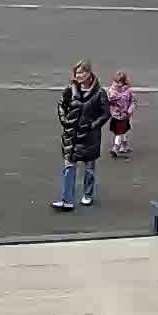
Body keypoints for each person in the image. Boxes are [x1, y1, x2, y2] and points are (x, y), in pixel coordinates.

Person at [54, 61, 108, 211]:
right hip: (71, 135)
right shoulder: (69, 90)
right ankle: (67, 199)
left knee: (89, 167)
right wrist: (64, 120)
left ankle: (88, 194)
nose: (78, 76)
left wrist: (92, 126)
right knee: (69, 166)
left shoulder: (99, 93)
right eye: (77, 73)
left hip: (89, 137)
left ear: (89, 74)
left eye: (81, 73)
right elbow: (61, 105)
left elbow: (105, 114)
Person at [107, 71, 136, 157]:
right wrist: (111, 99)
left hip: (124, 116)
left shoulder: (128, 91)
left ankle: (116, 147)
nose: (116, 84)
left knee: (120, 132)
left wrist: (129, 111)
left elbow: (133, 102)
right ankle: (124, 146)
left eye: (118, 82)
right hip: (115, 115)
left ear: (123, 83)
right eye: (115, 82)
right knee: (121, 132)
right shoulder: (112, 91)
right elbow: (108, 101)